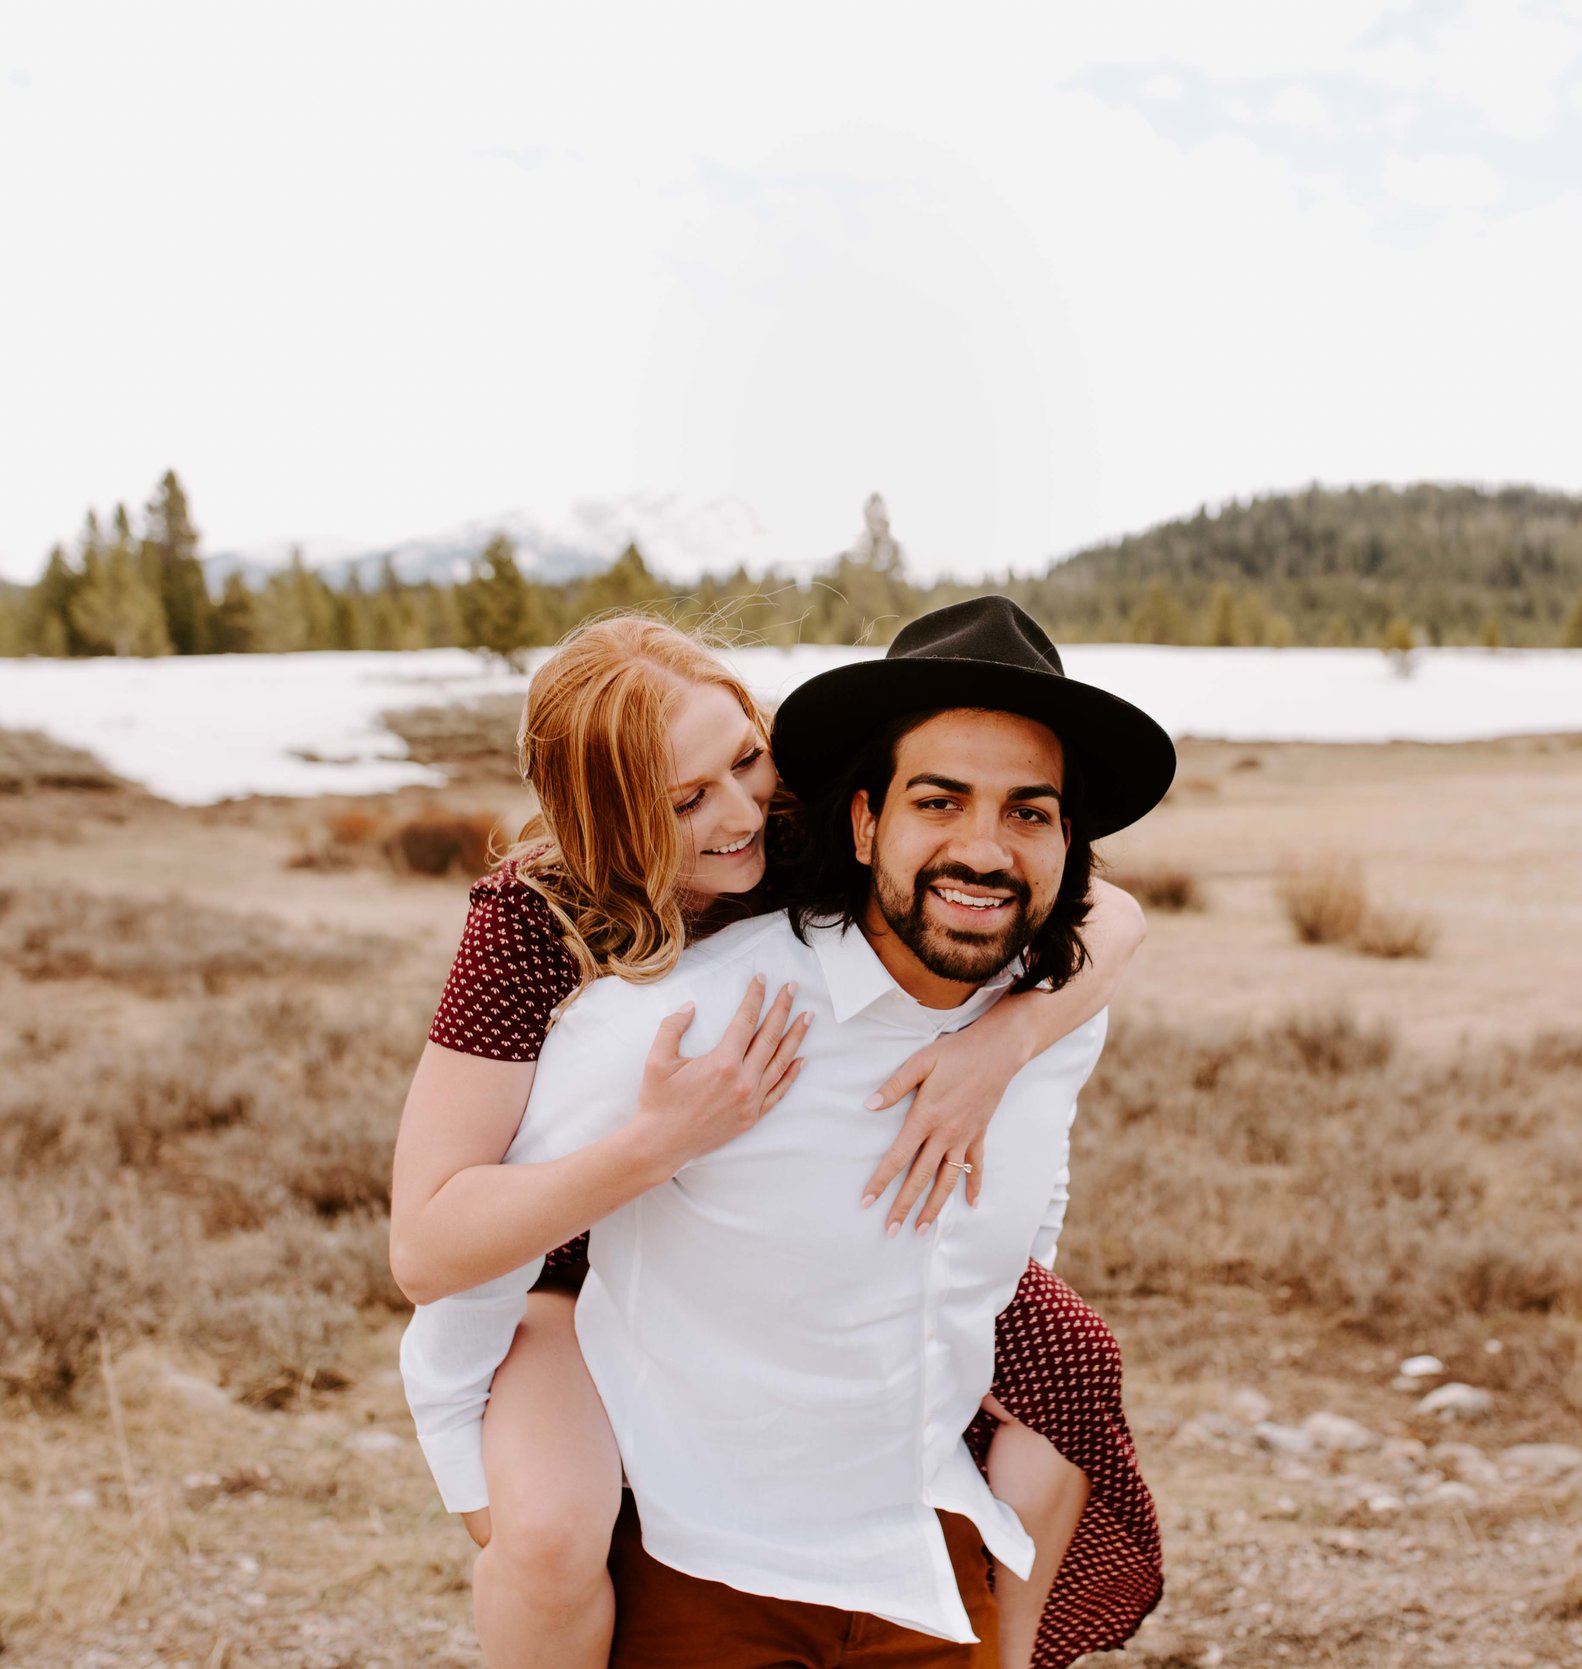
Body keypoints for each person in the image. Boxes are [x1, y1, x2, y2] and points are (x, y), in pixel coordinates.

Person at [389, 609, 1162, 1669]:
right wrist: (659, 1141)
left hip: (779, 1216)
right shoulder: (531, 923)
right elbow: (432, 1247)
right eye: (686, 800)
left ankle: (1008, 1643)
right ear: (609, 819)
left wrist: (1006, 1038)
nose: (740, 811)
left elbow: (1093, 908)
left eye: (746, 759)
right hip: (567, 1247)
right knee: (551, 1534)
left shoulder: (806, 826)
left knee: (1072, 1360)